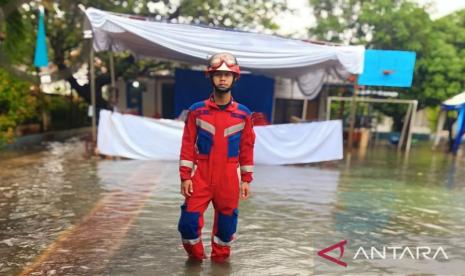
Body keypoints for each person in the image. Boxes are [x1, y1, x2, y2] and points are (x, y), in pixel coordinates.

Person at [177, 52, 255, 262]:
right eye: (218, 74)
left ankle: (219, 266)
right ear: (210, 77)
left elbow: (247, 149)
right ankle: (196, 262)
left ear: (235, 78)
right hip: (201, 175)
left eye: (227, 75)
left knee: (226, 229)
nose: (223, 78)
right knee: (188, 225)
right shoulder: (196, 111)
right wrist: (185, 177)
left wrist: (246, 180)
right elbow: (187, 145)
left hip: (228, 178)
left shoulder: (244, 115)